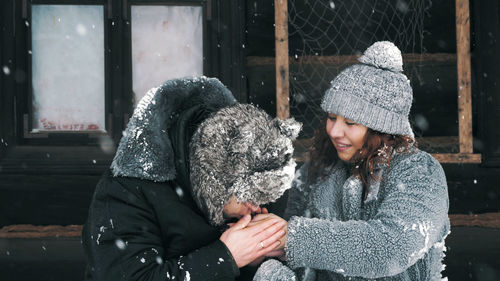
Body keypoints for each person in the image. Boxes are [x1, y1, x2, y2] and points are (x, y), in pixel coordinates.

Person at [253, 41, 450, 281]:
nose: (335, 131)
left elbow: (389, 248)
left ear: (383, 129)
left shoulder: (420, 173)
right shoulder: (313, 173)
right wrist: (268, 247)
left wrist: (292, 238)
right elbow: (298, 265)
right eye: (332, 117)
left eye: (350, 123)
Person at [82, 76, 301, 281]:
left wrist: (260, 258)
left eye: (264, 198)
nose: (258, 208)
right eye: (249, 198)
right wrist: (225, 258)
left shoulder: (261, 175)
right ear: (216, 187)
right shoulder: (128, 190)